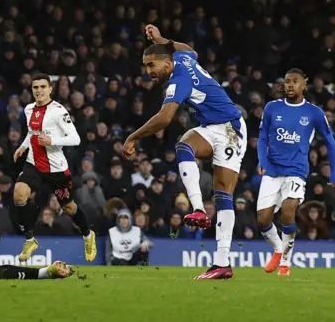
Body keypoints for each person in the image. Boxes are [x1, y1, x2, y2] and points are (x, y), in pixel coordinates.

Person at [122, 25, 246, 280]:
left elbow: (164, 118)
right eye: (145, 67)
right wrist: (163, 40)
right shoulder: (181, 57)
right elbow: (192, 51)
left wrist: (133, 136)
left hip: (232, 128)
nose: (148, 72)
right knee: (184, 145)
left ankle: (222, 262)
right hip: (211, 126)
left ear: (167, 63)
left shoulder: (179, 80)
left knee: (224, 195)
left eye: (151, 66)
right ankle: (199, 209)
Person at [256, 68, 335, 276]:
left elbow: (330, 141)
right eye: (287, 81)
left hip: (296, 170)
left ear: (303, 85)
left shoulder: (314, 112)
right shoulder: (272, 108)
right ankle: (277, 249)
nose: (289, 85)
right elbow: (263, 136)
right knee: (263, 220)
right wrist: (262, 160)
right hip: (272, 170)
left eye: (294, 81)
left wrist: (333, 173)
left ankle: (285, 263)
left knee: (288, 210)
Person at [12, 73, 96, 262]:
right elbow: (32, 132)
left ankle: (88, 235)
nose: (39, 91)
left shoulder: (59, 111)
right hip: (33, 163)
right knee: (19, 193)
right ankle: (30, 240)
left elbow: (75, 139)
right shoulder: (28, 109)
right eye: (35, 87)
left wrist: (51, 140)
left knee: (68, 208)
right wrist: (24, 146)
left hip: (56, 168)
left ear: (50, 89)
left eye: (43, 87)